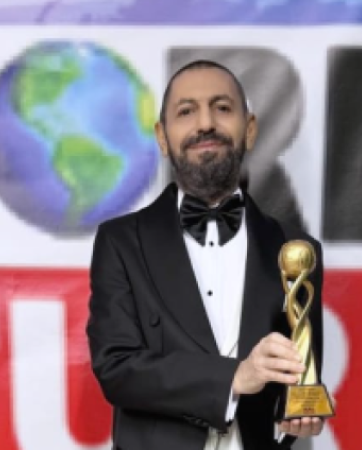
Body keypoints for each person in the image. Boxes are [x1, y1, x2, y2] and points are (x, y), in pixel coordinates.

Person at [87, 60, 326, 450]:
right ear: (162, 137)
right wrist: (234, 377)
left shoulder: (296, 249)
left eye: (222, 108)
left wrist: (294, 417)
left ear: (250, 129)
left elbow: (299, 376)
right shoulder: (122, 242)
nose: (205, 124)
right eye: (186, 111)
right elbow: (116, 367)